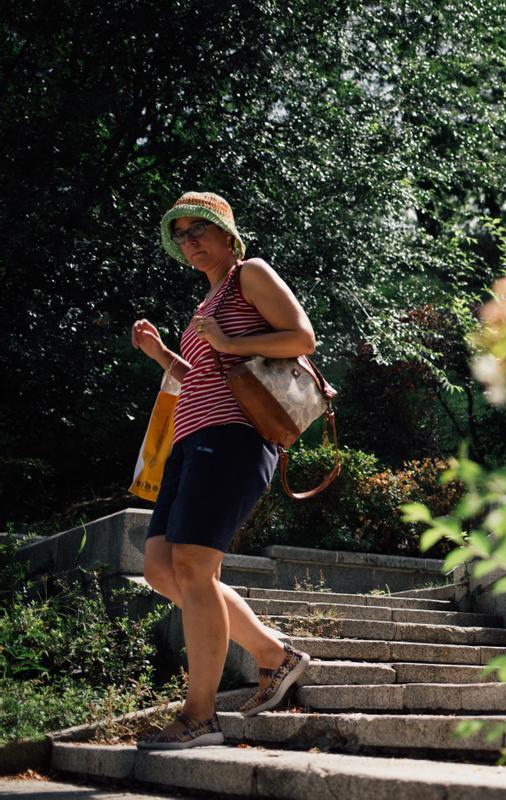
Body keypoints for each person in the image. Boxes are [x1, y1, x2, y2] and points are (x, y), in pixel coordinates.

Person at [129, 191, 314, 749]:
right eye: (181, 236)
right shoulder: (204, 305)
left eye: (199, 230)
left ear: (227, 234)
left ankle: (200, 716)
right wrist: (163, 355)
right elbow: (203, 374)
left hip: (235, 438)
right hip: (189, 443)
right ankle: (273, 654)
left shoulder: (249, 275)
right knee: (163, 570)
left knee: (192, 564)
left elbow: (301, 337)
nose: (190, 242)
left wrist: (230, 339)